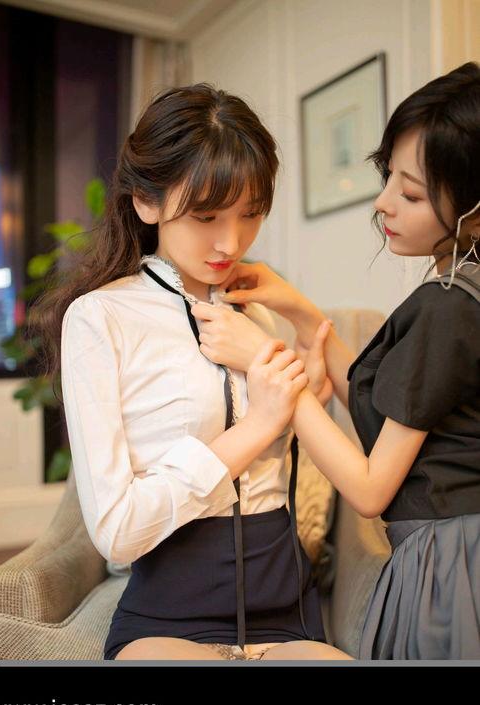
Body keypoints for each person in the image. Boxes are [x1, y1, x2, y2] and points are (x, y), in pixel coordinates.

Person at [38, 83, 351, 661]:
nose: (231, 242)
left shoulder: (258, 316)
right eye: (206, 216)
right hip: (168, 615)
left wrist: (301, 384)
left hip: (285, 607)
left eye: (250, 214)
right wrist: (258, 426)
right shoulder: (100, 318)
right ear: (146, 202)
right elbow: (116, 532)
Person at [192, 62, 480, 659]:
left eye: (411, 193)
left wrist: (267, 366)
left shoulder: (449, 306)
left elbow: (370, 490)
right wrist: (300, 311)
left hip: (451, 564)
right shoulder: (461, 294)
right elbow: (387, 405)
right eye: (388, 176)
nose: (383, 203)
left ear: (475, 211)